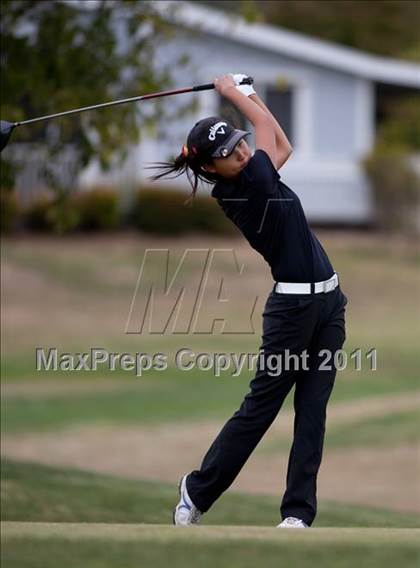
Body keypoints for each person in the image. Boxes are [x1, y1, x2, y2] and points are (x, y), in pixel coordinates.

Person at [149, 73, 348, 528]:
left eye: (239, 144)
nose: (240, 151)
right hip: (292, 314)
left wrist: (248, 91)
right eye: (227, 153)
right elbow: (263, 128)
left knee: (312, 413)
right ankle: (196, 490)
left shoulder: (257, 171)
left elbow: (283, 145)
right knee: (260, 411)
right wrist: (234, 93)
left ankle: (297, 514)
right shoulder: (243, 188)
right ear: (209, 169)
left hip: (329, 304)